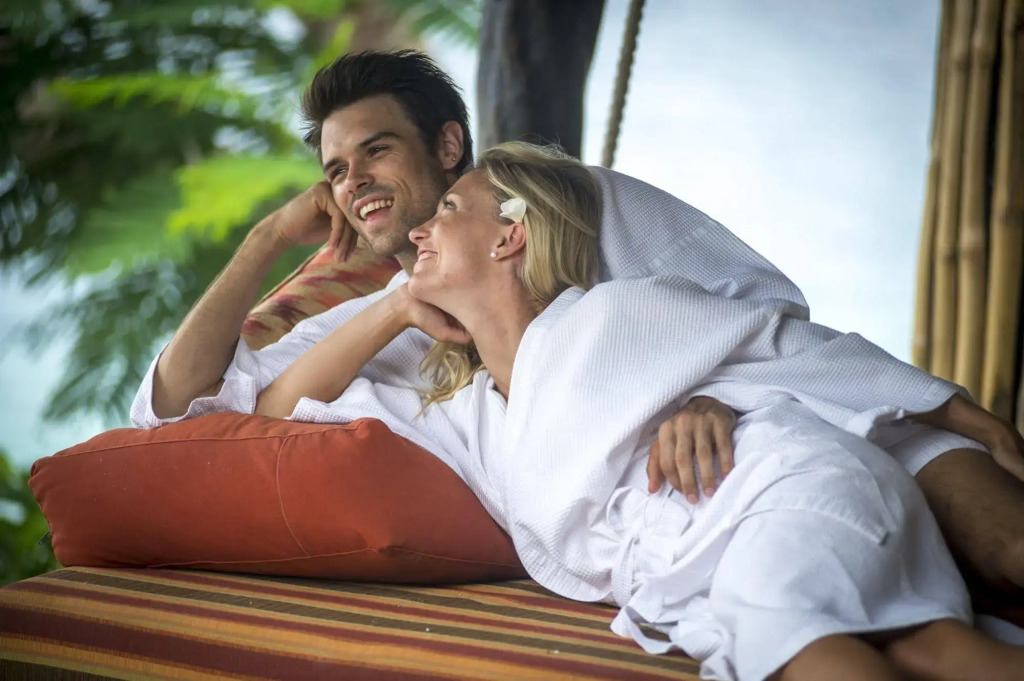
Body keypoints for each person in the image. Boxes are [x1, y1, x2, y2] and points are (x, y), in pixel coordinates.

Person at [131, 50, 1024, 597]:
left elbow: (757, 309)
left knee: (1002, 537)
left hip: (795, 425)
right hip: (682, 523)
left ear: (447, 145)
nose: (353, 180)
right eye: (335, 170)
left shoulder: (568, 202)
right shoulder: (370, 323)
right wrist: (269, 243)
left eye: (376, 150)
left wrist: (711, 397)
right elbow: (185, 406)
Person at [249, 141, 1024, 680]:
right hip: (712, 556)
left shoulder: (614, 314)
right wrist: (393, 308)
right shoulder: (472, 412)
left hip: (779, 489)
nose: (420, 228)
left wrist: (957, 411)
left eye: (448, 207)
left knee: (793, 642)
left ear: (510, 236)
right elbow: (282, 409)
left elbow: (784, 343)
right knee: (930, 651)